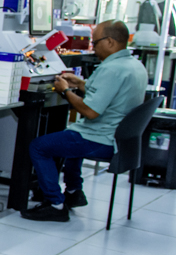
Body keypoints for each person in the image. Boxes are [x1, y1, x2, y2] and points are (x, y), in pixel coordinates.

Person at [22, 20, 148, 222]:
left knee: (38, 146)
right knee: (73, 133)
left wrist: (65, 91)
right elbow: (109, 94)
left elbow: (90, 112)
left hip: (101, 139)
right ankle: (74, 192)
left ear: (110, 42)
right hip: (121, 140)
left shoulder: (111, 69)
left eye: (95, 42)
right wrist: (81, 84)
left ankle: (55, 204)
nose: (93, 47)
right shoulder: (134, 65)